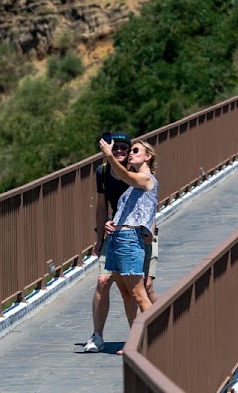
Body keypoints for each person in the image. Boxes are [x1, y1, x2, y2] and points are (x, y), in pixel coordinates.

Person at [96, 136, 159, 352]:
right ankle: (137, 341)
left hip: (130, 241)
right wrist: (111, 224)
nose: (130, 153)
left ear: (148, 157)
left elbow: (123, 174)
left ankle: (152, 341)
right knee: (126, 292)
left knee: (139, 294)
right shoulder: (133, 184)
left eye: (135, 151)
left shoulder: (146, 179)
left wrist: (108, 155)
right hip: (118, 238)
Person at [84, 131, 132, 353]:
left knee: (133, 289)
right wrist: (99, 238)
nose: (120, 151)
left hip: (136, 234)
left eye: (124, 148)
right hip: (113, 234)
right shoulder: (102, 172)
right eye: (116, 148)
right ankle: (97, 336)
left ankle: (139, 336)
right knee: (103, 282)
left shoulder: (136, 170)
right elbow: (102, 206)